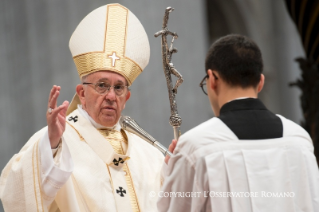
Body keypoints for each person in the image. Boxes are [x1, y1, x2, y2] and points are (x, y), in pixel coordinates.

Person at [0, 4, 166, 211]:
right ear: (82, 93)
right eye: (102, 86)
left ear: (127, 97)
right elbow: (15, 198)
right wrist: (50, 145)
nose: (111, 96)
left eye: (119, 87)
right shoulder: (55, 141)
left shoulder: (149, 153)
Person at [157, 34, 319, 212]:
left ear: (212, 79)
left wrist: (169, 172)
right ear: (260, 82)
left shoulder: (195, 146)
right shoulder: (300, 139)